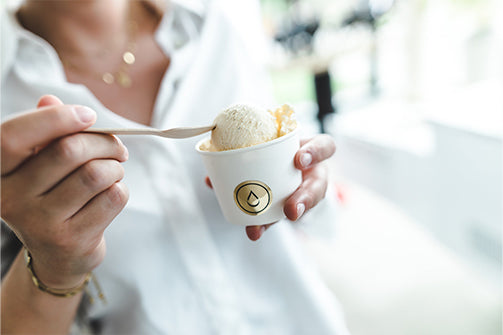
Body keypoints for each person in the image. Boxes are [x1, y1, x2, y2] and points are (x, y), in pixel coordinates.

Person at [1, 0, 350, 334]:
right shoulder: (9, 113)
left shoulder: (212, 27)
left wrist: (300, 178)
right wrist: (54, 270)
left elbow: (292, 195)